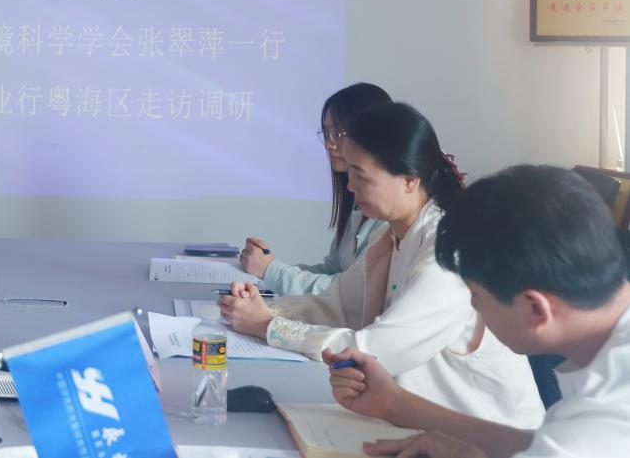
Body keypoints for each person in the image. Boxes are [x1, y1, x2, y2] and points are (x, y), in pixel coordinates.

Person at [219, 103, 543, 428]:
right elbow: (336, 304)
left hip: (490, 436)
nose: (350, 186)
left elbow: (375, 352)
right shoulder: (390, 237)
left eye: (360, 175)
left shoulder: (446, 254)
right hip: (426, 427)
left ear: (409, 180)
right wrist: (263, 310)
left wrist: (268, 326)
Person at [326, 165, 630, 458]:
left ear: (536, 308)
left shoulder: (604, 414)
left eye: (476, 296)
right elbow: (544, 444)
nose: (473, 306)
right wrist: (393, 403)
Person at [240, 83, 392, 295]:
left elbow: (351, 292)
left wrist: (271, 271)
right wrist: (269, 269)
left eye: (339, 133)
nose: (329, 144)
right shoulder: (358, 202)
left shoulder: (391, 217)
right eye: (327, 133)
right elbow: (334, 270)